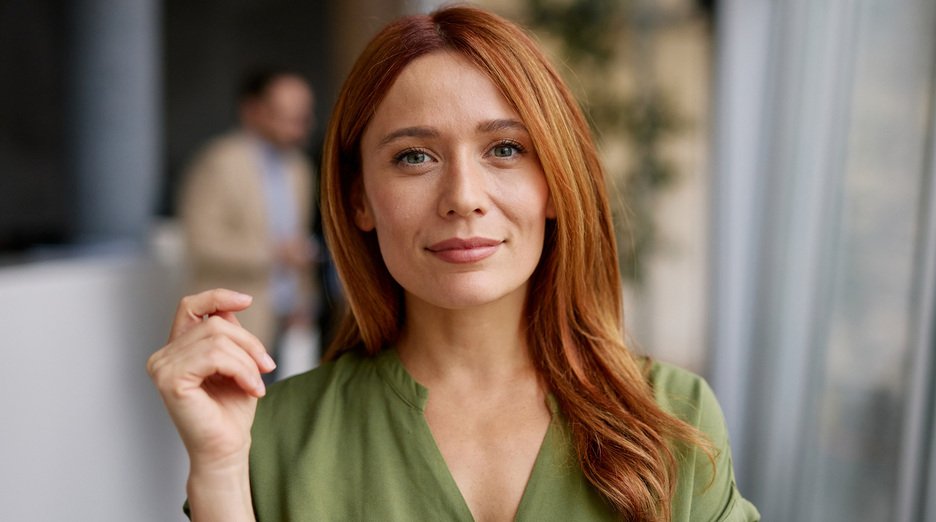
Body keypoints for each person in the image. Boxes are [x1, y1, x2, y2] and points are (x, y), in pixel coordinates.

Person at [148, 6, 759, 521]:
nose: (464, 196)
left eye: (506, 149)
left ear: (554, 184)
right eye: (414, 156)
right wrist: (223, 476)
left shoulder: (673, 415)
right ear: (359, 198)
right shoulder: (273, 435)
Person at [177, 68, 319, 374]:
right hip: (233, 322)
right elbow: (201, 243)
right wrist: (275, 253)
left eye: (303, 115)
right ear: (253, 110)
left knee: (274, 411)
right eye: (286, 114)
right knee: (231, 413)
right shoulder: (218, 162)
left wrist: (303, 300)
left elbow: (297, 236)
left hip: (281, 317)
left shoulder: (298, 168)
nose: (299, 125)